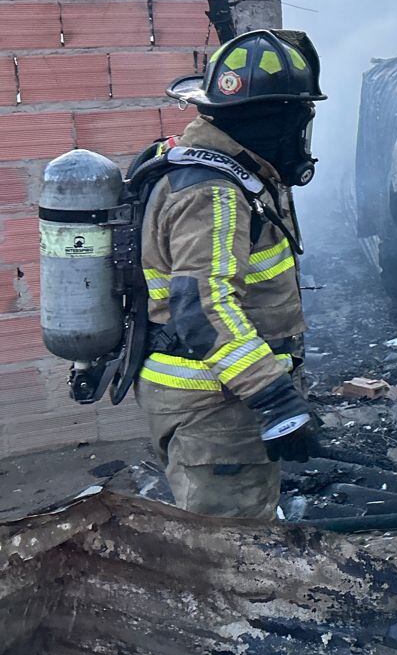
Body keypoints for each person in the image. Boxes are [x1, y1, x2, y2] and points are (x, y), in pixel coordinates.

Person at [136, 29, 323, 518]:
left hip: (208, 400)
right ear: (276, 118)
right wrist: (276, 400)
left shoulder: (212, 168)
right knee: (231, 557)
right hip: (214, 409)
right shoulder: (214, 192)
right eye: (299, 115)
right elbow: (203, 306)